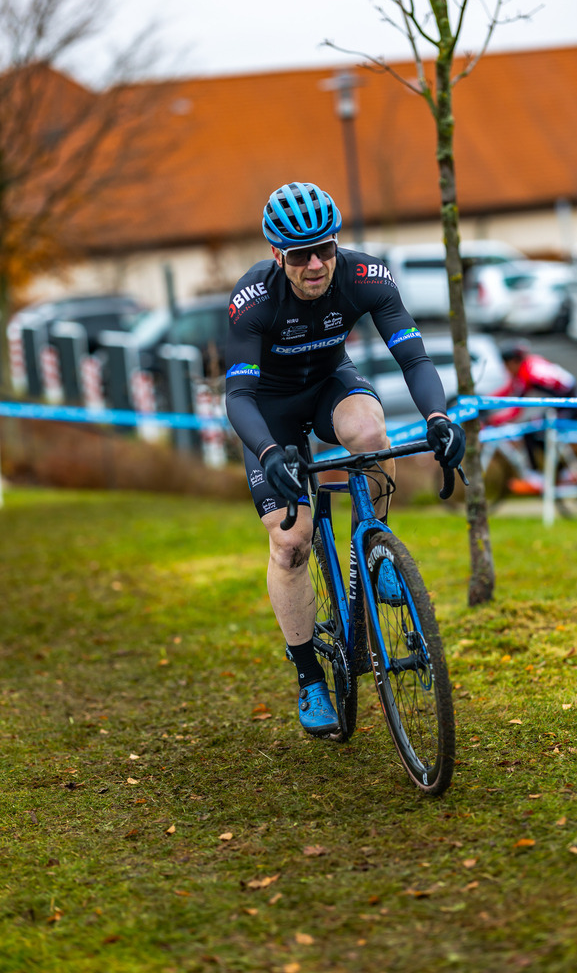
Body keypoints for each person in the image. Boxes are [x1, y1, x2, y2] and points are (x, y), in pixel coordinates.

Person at [224, 181, 465, 737]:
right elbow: (237, 396)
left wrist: (437, 418)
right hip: (269, 410)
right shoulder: (253, 301)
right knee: (290, 543)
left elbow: (414, 356)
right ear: (278, 256)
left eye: (325, 249)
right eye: (301, 254)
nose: (316, 264)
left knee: (369, 429)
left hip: (330, 383)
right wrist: (267, 452)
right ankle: (310, 676)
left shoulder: (365, 277)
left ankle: (375, 546)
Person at [489, 338, 577, 491]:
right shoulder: (528, 365)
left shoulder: (527, 373)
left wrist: (495, 420)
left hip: (572, 406)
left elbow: (516, 408)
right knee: (535, 432)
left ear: (513, 362)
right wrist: (486, 400)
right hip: (566, 402)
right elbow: (509, 391)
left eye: (506, 365)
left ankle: (542, 477)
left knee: (532, 433)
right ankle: (562, 473)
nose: (506, 370)